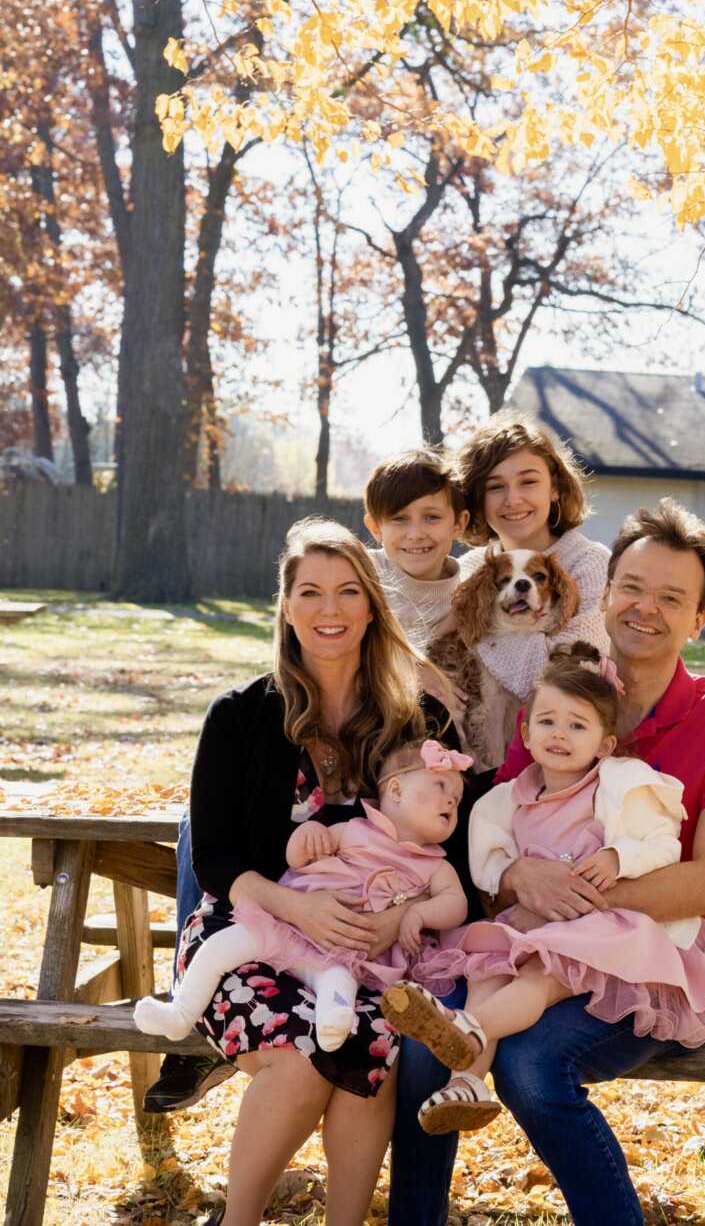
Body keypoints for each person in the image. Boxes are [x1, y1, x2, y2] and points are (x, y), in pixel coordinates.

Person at [389, 498, 705, 1226]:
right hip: (533, 949)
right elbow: (503, 830)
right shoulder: (558, 701)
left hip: (656, 964)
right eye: (631, 587)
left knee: (532, 1068)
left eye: (672, 598)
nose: (645, 609)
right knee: (418, 1057)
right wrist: (509, 877)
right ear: (604, 595)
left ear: (700, 619)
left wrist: (569, 897)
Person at [143, 517, 485, 1226]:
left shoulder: (415, 720)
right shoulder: (240, 716)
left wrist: (398, 919)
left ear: (372, 605)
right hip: (254, 930)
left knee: (370, 1060)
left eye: (348, 592)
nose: (329, 611)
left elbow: (453, 852)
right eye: (310, 592)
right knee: (303, 1062)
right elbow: (213, 857)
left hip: (373, 948)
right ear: (287, 606)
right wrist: (297, 909)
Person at [382, 644, 705, 1135]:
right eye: (548, 721)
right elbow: (489, 868)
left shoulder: (622, 785)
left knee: (536, 983)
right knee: (486, 972)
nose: (560, 735)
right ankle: (467, 1083)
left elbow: (662, 845)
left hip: (598, 934)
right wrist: (513, 876)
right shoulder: (503, 801)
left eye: (578, 725)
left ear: (605, 744)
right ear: (525, 733)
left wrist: (618, 858)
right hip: (527, 928)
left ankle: (473, 1028)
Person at [134, 740, 471, 1050]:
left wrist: (420, 914)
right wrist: (308, 835)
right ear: (396, 790)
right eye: (442, 787)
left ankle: (331, 1029)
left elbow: (457, 904)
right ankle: (179, 1013)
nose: (452, 800)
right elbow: (296, 860)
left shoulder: (436, 866)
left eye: (456, 797)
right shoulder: (354, 830)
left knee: (338, 983)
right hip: (292, 926)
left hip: (347, 953)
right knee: (220, 948)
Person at [454, 410, 611, 703]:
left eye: (528, 482)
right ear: (477, 498)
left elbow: (568, 678)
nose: (513, 499)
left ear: (555, 488)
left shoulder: (591, 563)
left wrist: (481, 632)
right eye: (495, 486)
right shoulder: (467, 571)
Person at [363, 447, 469, 650]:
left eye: (432, 517)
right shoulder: (360, 575)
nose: (416, 534)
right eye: (399, 518)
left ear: (458, 524)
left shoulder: (468, 601)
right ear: (376, 528)